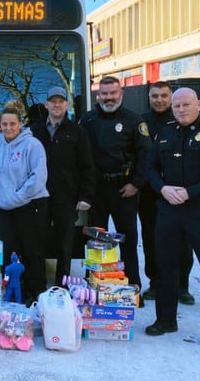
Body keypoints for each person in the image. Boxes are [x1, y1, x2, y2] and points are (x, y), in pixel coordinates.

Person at [145, 87, 200, 354]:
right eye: (177, 106)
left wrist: (190, 192)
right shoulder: (165, 133)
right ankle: (165, 319)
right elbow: (149, 167)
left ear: (199, 104)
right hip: (169, 210)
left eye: (186, 104)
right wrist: (161, 188)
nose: (181, 109)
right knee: (166, 267)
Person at [79, 76, 149, 298]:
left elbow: (146, 156)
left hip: (124, 190)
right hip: (97, 190)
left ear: (121, 94)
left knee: (128, 240)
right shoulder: (87, 120)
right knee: (95, 240)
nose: (109, 98)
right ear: (98, 96)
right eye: (104, 94)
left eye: (113, 93)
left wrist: (136, 184)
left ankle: (133, 286)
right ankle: (93, 286)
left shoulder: (134, 120)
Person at [0, 101, 49, 307]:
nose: (8, 128)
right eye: (5, 124)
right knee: (7, 251)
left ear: (20, 124)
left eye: (12, 124)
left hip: (30, 205)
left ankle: (35, 292)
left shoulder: (32, 145)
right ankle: (13, 291)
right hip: (4, 207)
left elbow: (38, 177)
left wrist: (18, 196)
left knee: (33, 251)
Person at [30, 86, 95, 287]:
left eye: (61, 101)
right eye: (53, 101)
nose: (57, 105)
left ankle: (62, 287)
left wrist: (85, 196)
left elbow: (87, 166)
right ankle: (37, 285)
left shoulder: (78, 132)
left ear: (67, 105)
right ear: (46, 105)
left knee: (64, 246)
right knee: (36, 242)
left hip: (66, 197)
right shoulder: (33, 130)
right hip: (37, 196)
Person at [138, 81, 195, 305]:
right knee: (151, 239)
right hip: (151, 192)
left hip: (180, 192)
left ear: (171, 97)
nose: (159, 100)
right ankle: (156, 283)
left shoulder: (181, 118)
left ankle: (182, 286)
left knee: (183, 241)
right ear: (149, 98)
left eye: (163, 96)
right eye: (155, 96)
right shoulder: (141, 121)